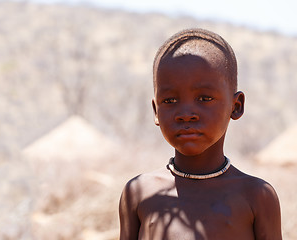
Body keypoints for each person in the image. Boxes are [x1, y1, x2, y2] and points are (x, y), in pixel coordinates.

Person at [118, 28, 282, 240]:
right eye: (169, 101)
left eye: (204, 98)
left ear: (236, 106)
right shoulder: (139, 192)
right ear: (156, 111)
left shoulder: (256, 196)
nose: (186, 115)